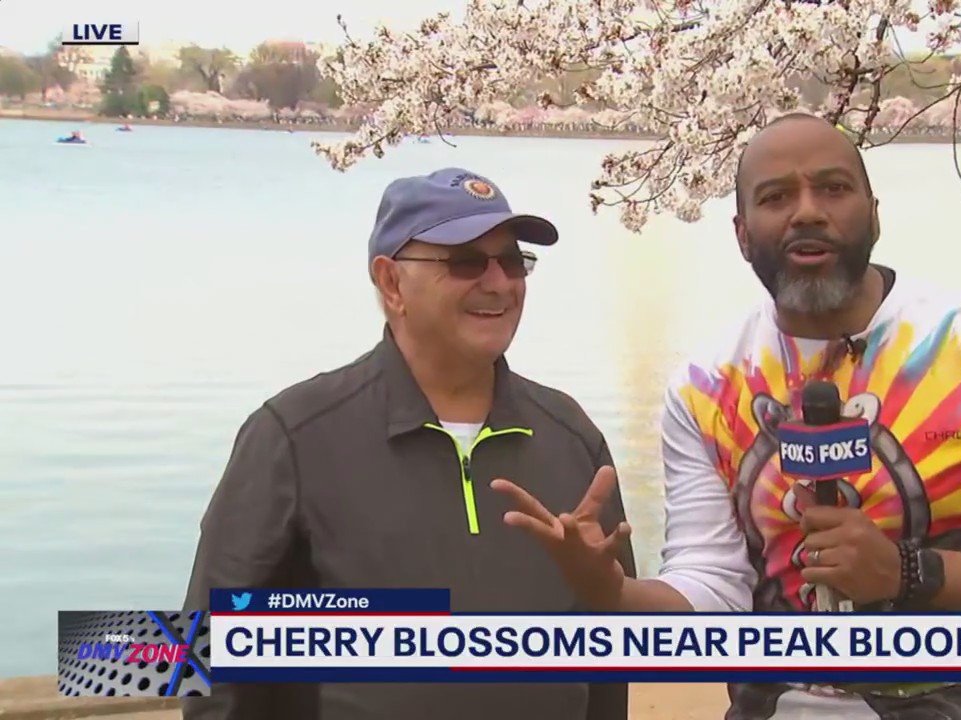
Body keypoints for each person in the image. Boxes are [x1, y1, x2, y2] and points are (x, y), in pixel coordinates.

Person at [494, 115, 961, 720]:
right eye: (777, 196)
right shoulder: (706, 387)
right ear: (742, 234)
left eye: (834, 188)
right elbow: (715, 588)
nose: (808, 211)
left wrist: (908, 572)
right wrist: (614, 595)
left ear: (874, 212)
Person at [182, 167, 635, 720]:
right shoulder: (292, 437)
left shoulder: (571, 438)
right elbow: (214, 662)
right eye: (466, 260)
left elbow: (612, 650)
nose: (499, 283)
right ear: (391, 282)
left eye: (513, 261)